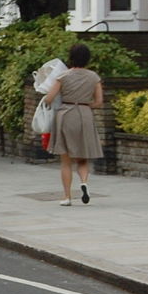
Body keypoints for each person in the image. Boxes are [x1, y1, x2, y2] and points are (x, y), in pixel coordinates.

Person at [46, 43, 104, 206]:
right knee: (82, 158)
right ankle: (84, 182)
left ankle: (67, 197)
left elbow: (49, 98)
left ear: (71, 57)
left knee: (66, 160)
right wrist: (86, 105)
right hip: (85, 115)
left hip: (66, 114)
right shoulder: (94, 77)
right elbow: (99, 102)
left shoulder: (63, 76)